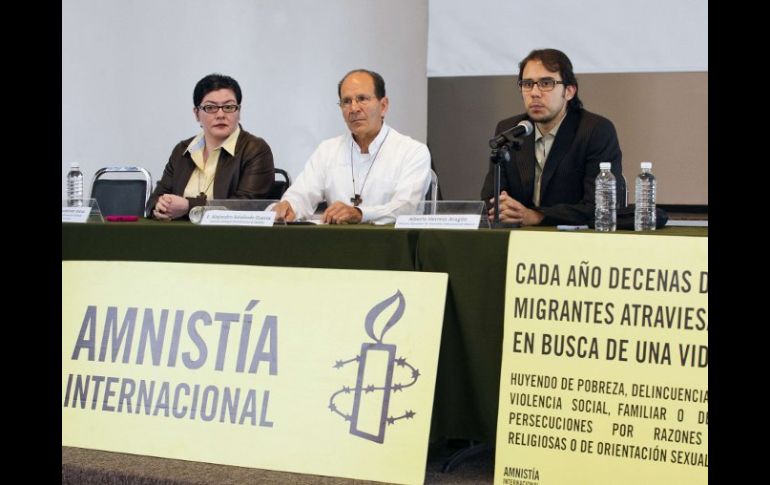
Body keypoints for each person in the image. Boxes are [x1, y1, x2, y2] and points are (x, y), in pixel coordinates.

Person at [480, 48, 623, 226]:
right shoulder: (511, 130)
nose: (534, 93)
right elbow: (490, 197)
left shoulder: (595, 131)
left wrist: (536, 216)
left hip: (575, 242)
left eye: (546, 83)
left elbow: (599, 207)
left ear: (569, 91)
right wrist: (503, 207)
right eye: (527, 84)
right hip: (520, 240)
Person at [273, 69, 431, 224]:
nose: (354, 109)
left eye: (362, 99)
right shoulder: (328, 150)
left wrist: (360, 214)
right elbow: (302, 193)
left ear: (383, 106)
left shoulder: (412, 151)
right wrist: (288, 206)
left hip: (390, 245)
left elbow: (406, 207)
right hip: (337, 245)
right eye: (346, 101)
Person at [147, 73, 274, 220]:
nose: (220, 114)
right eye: (210, 107)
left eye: (228, 107)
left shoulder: (255, 149)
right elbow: (155, 198)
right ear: (196, 114)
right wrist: (159, 206)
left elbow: (246, 205)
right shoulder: (182, 150)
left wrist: (190, 206)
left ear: (239, 111)